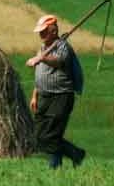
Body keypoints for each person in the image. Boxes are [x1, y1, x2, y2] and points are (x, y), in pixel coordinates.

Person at [25, 14, 86, 168]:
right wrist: (34, 95)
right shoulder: (43, 48)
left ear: (53, 31)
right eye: (40, 32)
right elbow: (41, 74)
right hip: (43, 96)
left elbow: (59, 62)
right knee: (39, 136)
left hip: (60, 97)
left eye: (44, 31)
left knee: (52, 135)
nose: (41, 35)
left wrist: (42, 58)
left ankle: (58, 164)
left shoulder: (63, 47)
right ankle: (75, 154)